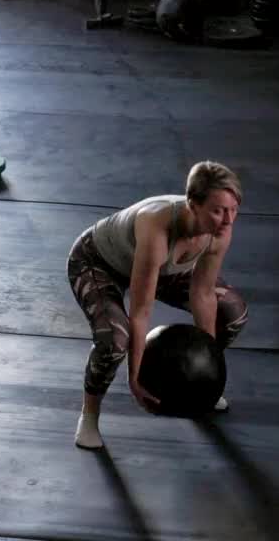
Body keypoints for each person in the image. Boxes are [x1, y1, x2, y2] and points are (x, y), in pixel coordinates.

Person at [68, 161, 247, 450]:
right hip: (98, 263)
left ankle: (195, 387)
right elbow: (140, 313)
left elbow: (202, 294)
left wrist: (208, 375)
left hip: (164, 268)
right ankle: (89, 416)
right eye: (218, 210)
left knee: (233, 312)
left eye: (233, 210)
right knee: (115, 341)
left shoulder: (219, 231)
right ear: (193, 204)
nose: (228, 220)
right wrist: (135, 380)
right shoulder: (157, 226)